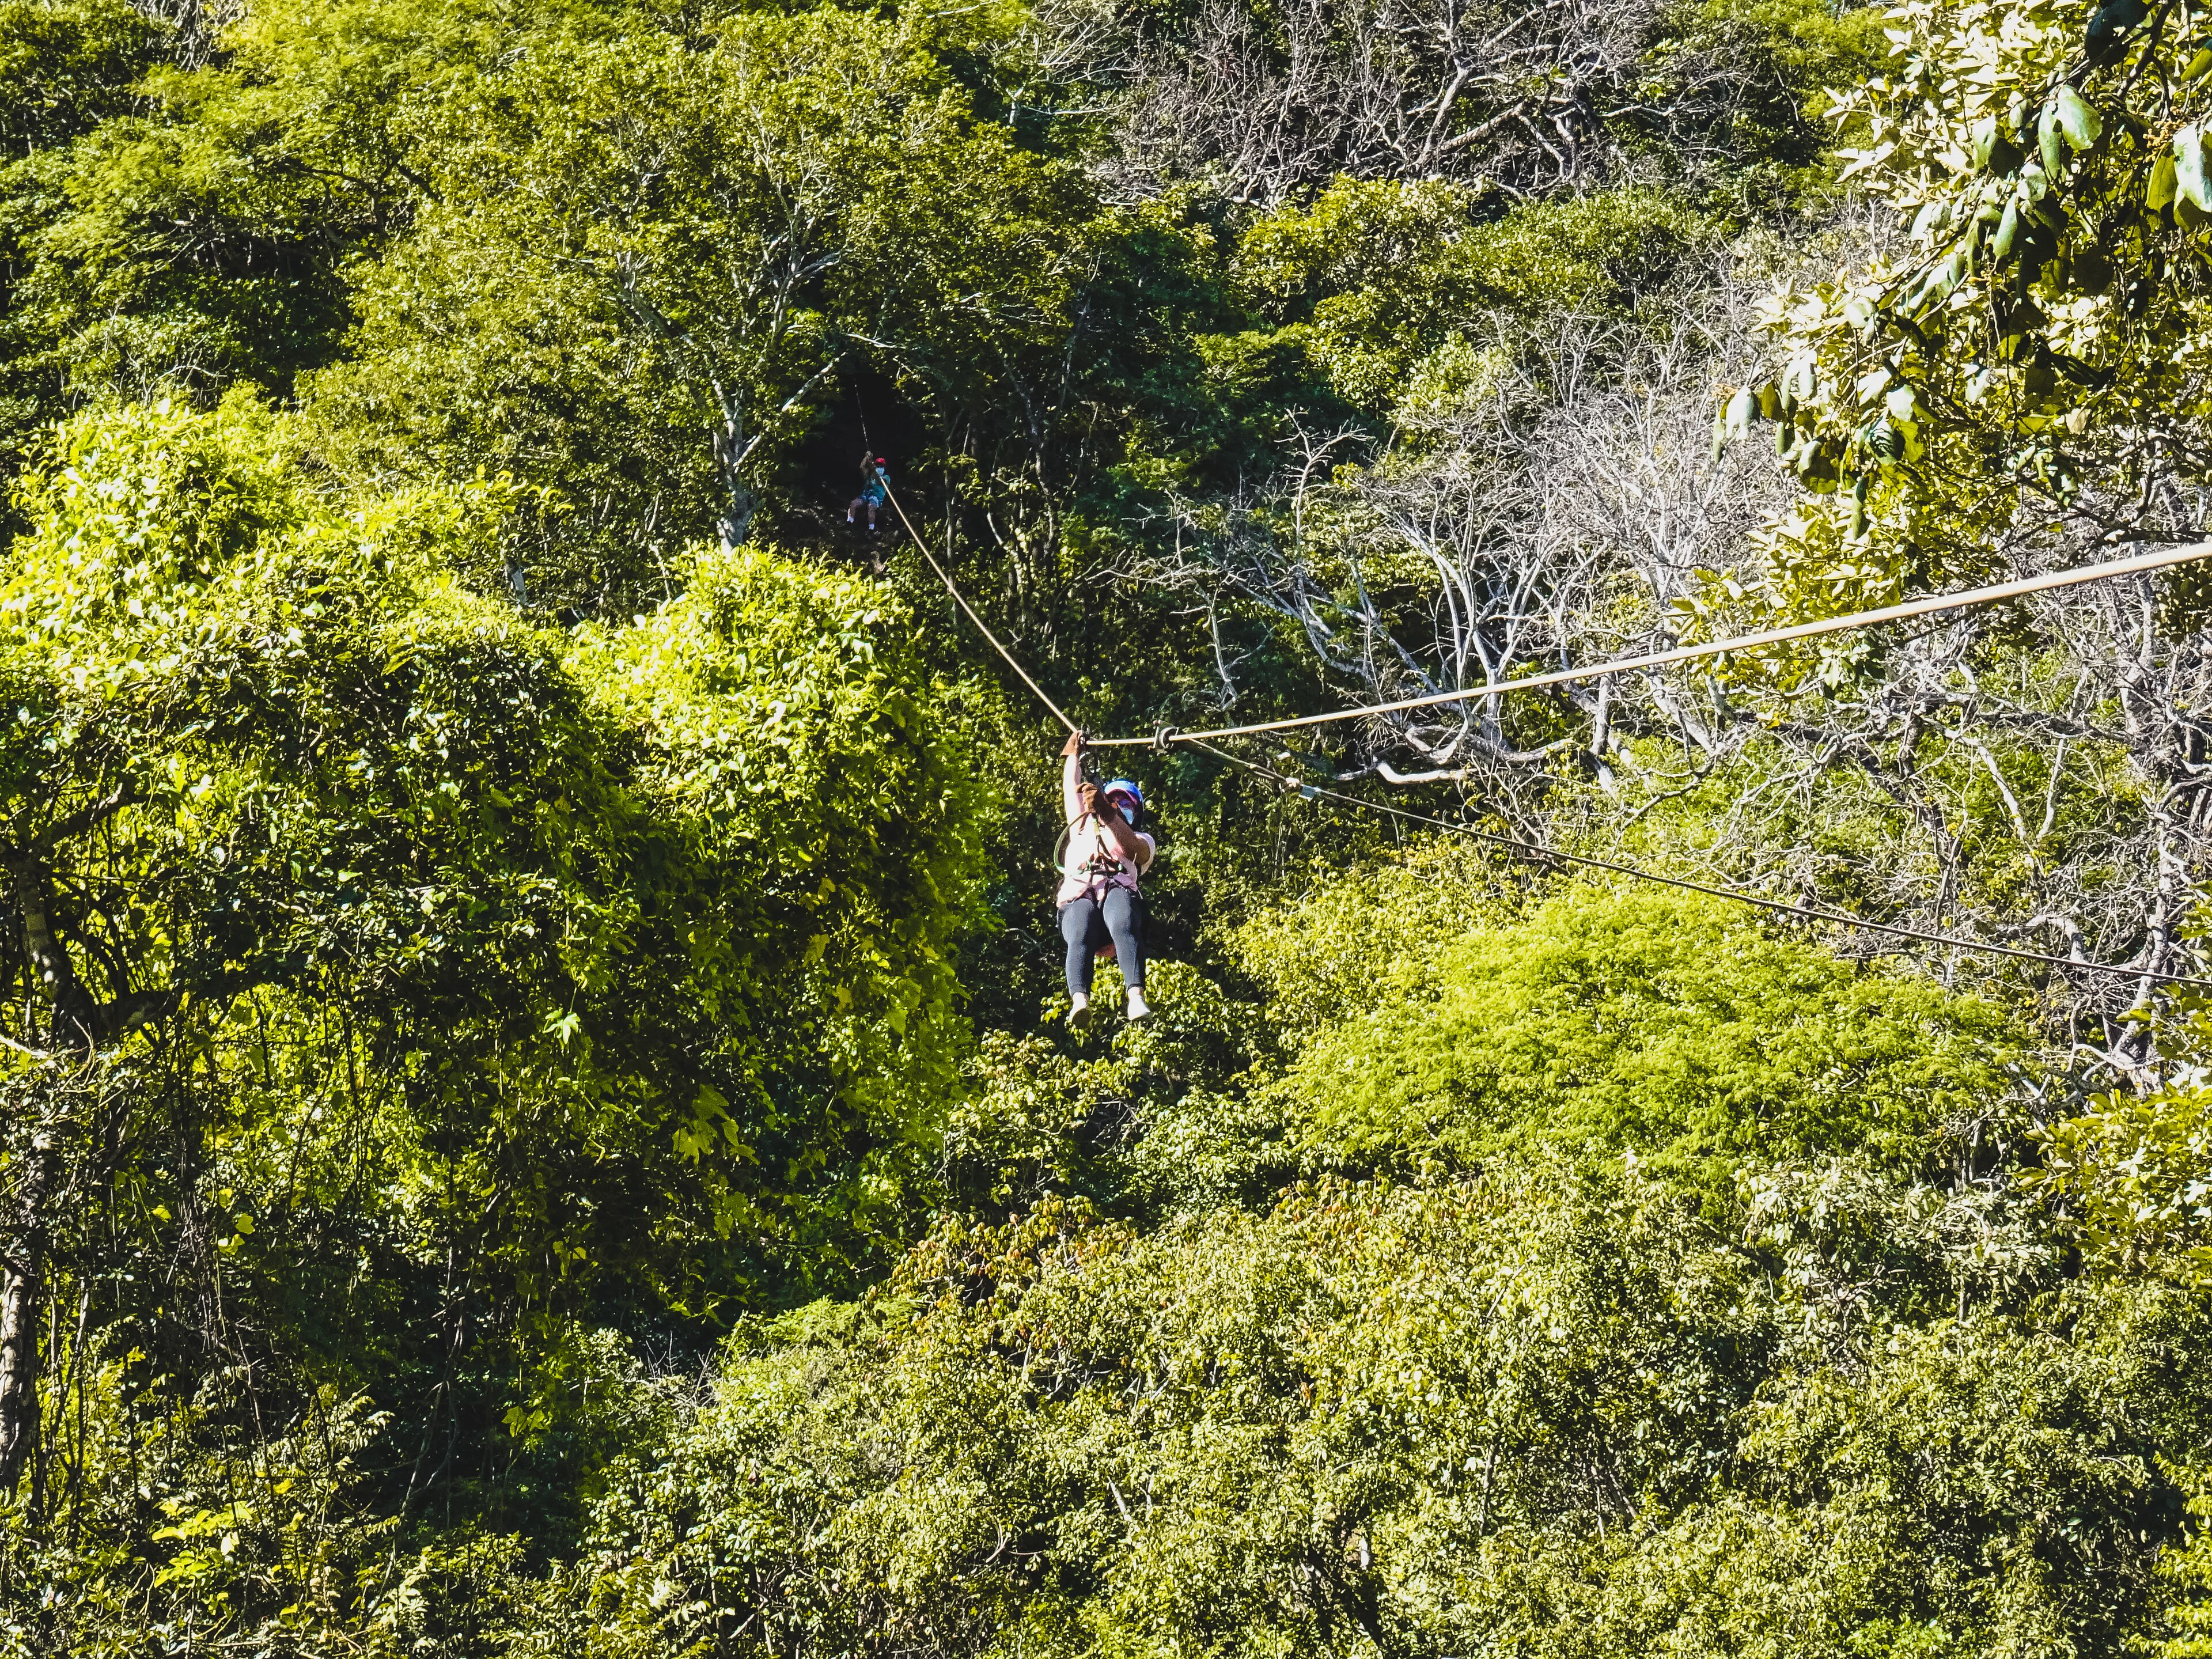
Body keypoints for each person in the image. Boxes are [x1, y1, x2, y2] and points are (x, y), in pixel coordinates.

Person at [1056, 732, 1153, 1028]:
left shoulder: (1142, 838)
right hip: (1081, 894)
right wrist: (1074, 755)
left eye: (1125, 804)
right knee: (1079, 930)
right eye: (1114, 801)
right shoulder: (1082, 828)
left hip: (1116, 892)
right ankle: (1080, 1000)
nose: (1119, 806)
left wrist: (1110, 816)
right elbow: (1070, 790)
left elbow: (1131, 850)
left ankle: (1135, 995)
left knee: (1123, 920)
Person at [847, 453, 889, 531]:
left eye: (881, 466)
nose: (879, 467)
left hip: (876, 498)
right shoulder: (869, 475)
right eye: (877, 465)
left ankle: (871, 528)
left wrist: (873, 469)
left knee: (871, 506)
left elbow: (880, 480)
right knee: (854, 503)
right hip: (866, 495)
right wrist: (867, 457)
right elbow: (862, 468)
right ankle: (850, 521)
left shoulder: (886, 477)